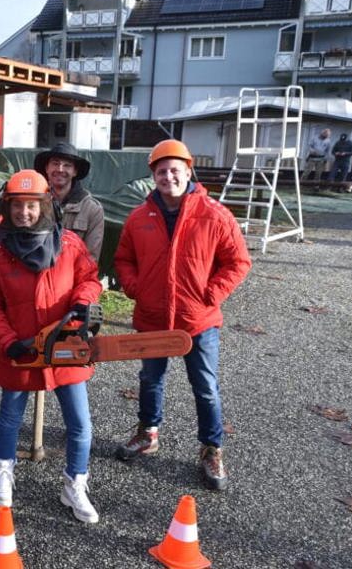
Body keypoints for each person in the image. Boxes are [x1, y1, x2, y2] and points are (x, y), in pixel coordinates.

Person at [113, 139, 251, 491]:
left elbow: (238, 262)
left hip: (198, 321)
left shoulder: (214, 214)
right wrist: (135, 287)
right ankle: (147, 433)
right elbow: (124, 259)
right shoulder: (139, 217)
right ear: (153, 176)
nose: (168, 176)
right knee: (150, 380)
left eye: (175, 170)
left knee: (205, 388)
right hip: (153, 317)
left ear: (189, 171)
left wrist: (211, 294)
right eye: (161, 171)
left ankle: (211, 448)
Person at [0, 169, 102, 523]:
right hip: (22, 349)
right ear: (7, 208)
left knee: (79, 422)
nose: (25, 213)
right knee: (9, 418)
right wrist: (7, 341)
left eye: (32, 206)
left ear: (46, 207)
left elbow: (90, 279)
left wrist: (82, 302)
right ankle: (3, 471)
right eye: (18, 206)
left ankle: (75, 483)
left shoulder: (70, 246)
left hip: (66, 346)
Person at [34, 142, 105, 260]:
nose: (60, 169)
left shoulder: (93, 210)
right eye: (55, 164)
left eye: (67, 165)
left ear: (75, 172)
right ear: (47, 168)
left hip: (73, 276)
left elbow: (90, 259)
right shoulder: (33, 203)